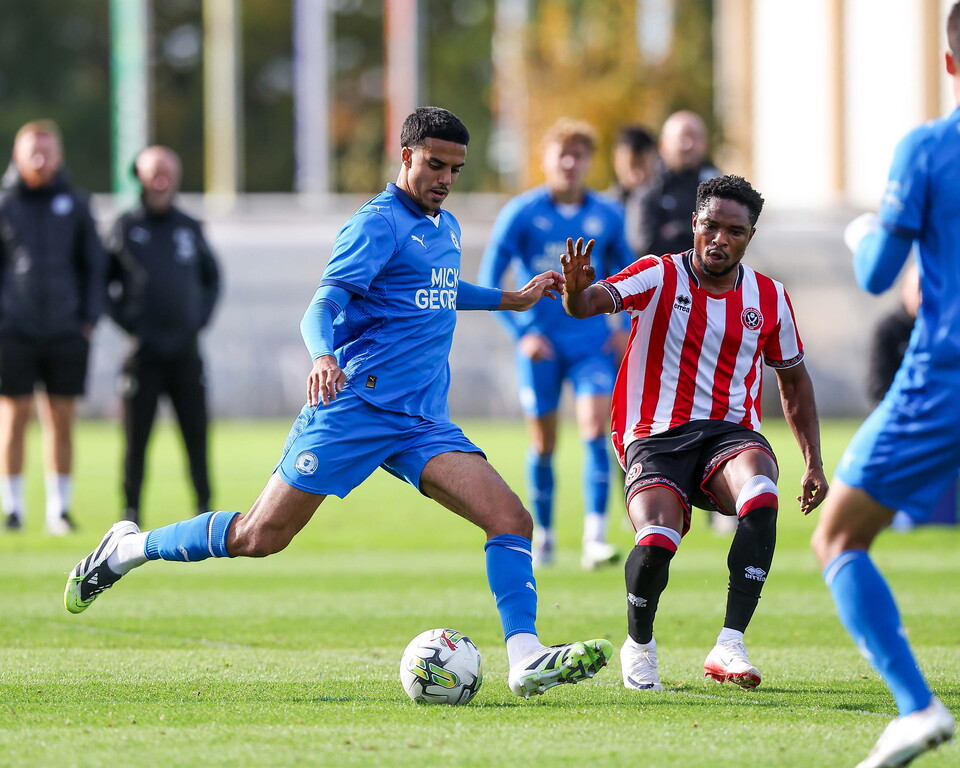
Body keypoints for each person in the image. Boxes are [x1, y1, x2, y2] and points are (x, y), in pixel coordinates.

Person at [64, 107, 613, 699]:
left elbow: (440, 290)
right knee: (259, 535)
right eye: (434, 165)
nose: (445, 179)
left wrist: (510, 298)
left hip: (420, 422)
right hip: (354, 408)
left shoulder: (445, 227)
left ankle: (525, 657)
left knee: (510, 519)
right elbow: (320, 306)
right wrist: (323, 357)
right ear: (404, 156)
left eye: (455, 168)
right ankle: (128, 548)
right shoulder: (376, 225)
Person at [560, 175, 827, 693]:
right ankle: (638, 646)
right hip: (653, 434)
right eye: (711, 226)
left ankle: (730, 643)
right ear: (694, 225)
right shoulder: (658, 275)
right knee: (657, 540)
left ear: (750, 236)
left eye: (734, 230)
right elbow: (590, 303)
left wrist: (813, 461)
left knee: (761, 491)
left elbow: (793, 380)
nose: (720, 239)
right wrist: (574, 292)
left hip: (729, 434)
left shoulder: (769, 298)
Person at [810, 6, 960, 765]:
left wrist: (865, 231)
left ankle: (916, 707)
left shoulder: (930, 149)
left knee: (838, 536)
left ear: (950, 64)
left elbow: (876, 276)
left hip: (947, 380)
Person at [478, 118, 634, 570]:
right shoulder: (523, 213)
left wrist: (621, 322)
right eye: (561, 153)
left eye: (578, 154)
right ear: (545, 159)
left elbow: (630, 274)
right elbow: (491, 277)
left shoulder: (607, 215)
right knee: (543, 443)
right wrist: (522, 333)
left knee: (593, 429)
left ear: (588, 162)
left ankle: (595, 538)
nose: (569, 162)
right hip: (541, 345)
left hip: (590, 344)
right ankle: (543, 536)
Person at [0, 120, 106, 534]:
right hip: (15, 330)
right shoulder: (6, 204)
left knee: (60, 417)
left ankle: (58, 510)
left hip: (66, 330)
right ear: (17, 156)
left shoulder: (77, 205)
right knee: (14, 416)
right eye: (33, 152)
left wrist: (88, 320)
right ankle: (13, 508)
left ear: (60, 155)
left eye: (47, 151)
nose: (41, 160)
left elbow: (94, 267)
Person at [106, 146, 221, 525]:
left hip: (186, 353)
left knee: (196, 436)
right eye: (153, 172)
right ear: (138, 177)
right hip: (143, 354)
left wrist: (197, 320)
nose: (160, 180)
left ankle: (204, 510)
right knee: (136, 440)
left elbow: (212, 278)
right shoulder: (124, 227)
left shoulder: (190, 227)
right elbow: (102, 285)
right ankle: (130, 512)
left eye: (167, 172)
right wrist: (130, 324)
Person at [640, 110, 721, 259]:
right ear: (662, 144)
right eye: (682, 137)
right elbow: (644, 244)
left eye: (695, 137)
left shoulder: (719, 190)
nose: (688, 145)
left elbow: (725, 240)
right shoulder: (648, 187)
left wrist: (678, 230)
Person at [866, 261, 919, 406]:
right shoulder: (889, 328)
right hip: (899, 411)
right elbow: (878, 385)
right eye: (919, 289)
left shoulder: (943, 327)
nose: (923, 297)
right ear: (905, 290)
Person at [607, 124, 660, 259]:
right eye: (631, 166)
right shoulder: (605, 207)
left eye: (643, 165)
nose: (637, 175)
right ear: (615, 161)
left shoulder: (669, 205)